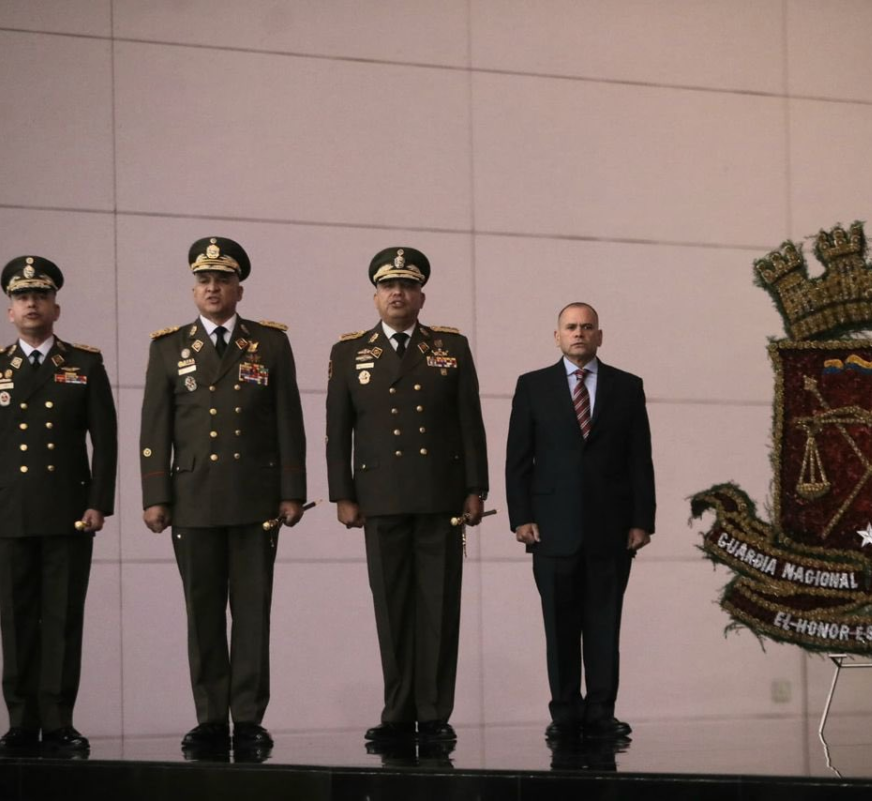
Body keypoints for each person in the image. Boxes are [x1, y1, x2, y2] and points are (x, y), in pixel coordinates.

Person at [139, 237, 306, 756]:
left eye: (223, 280)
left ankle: (249, 717)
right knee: (203, 610)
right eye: (204, 280)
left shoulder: (270, 343)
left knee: (253, 611)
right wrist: (155, 495)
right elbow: (155, 427)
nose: (213, 288)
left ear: (239, 288)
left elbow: (288, 422)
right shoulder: (168, 347)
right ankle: (211, 717)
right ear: (194, 289)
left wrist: (292, 491)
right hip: (193, 497)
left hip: (256, 498)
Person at [326, 247, 489, 744]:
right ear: (375, 296)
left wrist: (475, 487)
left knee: (439, 607)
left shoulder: (450, 347)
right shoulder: (349, 352)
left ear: (421, 295)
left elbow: (470, 423)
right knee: (392, 605)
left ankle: (434, 712)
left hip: (440, 495)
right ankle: (398, 710)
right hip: (381, 498)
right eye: (388, 286)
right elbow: (339, 430)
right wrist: (342, 494)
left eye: (408, 286)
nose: (398, 293)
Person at [0, 256, 117, 754]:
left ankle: (59, 720)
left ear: (56, 307)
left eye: (40, 296)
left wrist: (99, 504)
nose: (31, 303)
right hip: (9, 514)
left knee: (63, 619)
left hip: (69, 512)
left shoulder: (84, 364)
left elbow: (105, 443)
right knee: (17, 617)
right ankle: (21, 720)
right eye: (21, 297)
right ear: (10, 311)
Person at [504, 302, 655, 741]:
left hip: (612, 528)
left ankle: (602, 711)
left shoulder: (628, 387)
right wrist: (521, 517)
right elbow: (518, 459)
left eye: (587, 327)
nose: (579, 334)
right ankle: (565, 712)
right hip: (550, 528)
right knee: (560, 625)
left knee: (605, 625)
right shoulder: (532, 386)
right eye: (570, 327)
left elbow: (639, 460)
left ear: (600, 336)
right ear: (556, 336)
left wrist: (641, 520)